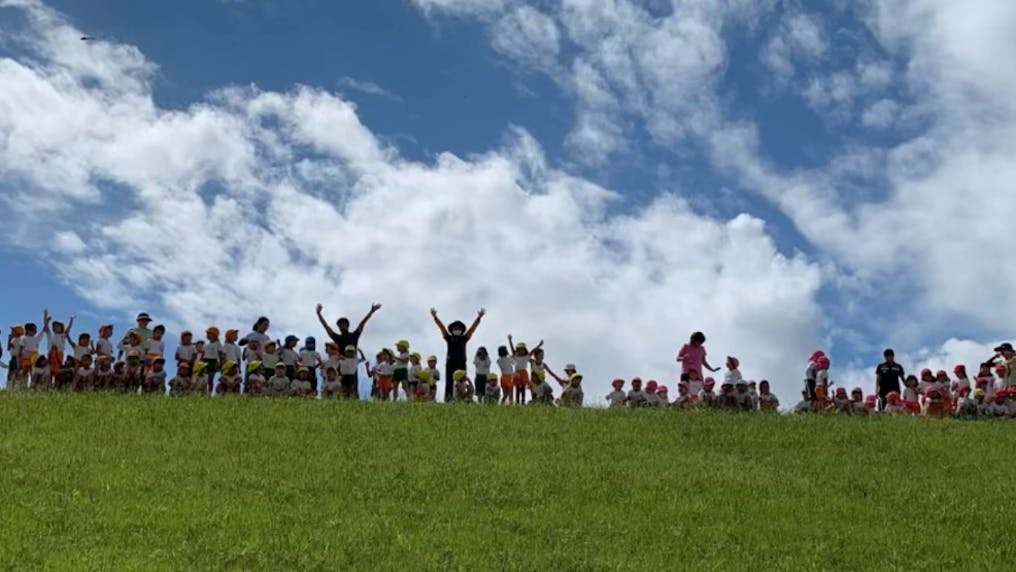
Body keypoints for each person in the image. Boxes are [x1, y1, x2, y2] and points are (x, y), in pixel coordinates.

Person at [315, 304, 381, 394]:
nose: (341, 326)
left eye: (343, 324)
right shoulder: (338, 338)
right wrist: (319, 314)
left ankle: (353, 400)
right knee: (340, 384)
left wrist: (371, 311)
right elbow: (326, 327)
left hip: (352, 363)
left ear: (347, 325)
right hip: (342, 363)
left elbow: (362, 324)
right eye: (339, 325)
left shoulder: (354, 336)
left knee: (353, 386)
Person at [430, 307, 486, 402]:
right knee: (449, 382)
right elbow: (442, 328)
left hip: (461, 362)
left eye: (458, 328)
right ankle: (448, 400)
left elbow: (472, 329)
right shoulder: (448, 338)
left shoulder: (465, 338)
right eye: (455, 328)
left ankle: (462, 400)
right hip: (450, 362)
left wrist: (478, 318)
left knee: (462, 382)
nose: (457, 330)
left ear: (461, 330)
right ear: (452, 330)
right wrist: (435, 317)